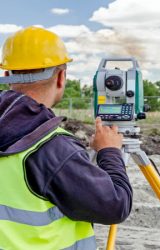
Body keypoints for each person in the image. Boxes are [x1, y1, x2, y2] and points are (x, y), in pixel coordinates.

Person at [0, 26, 132, 249]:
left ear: (6, 74)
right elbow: (115, 205)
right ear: (61, 77)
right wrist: (109, 152)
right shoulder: (53, 147)